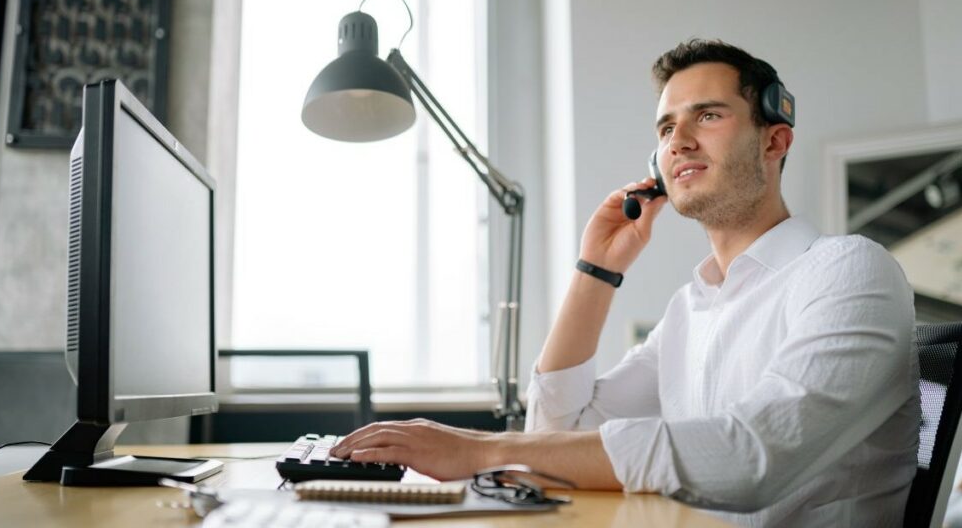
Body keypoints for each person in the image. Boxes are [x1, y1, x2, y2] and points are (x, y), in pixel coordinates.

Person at [331, 39, 920, 526]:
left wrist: (480, 449)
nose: (679, 141)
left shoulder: (848, 270)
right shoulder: (693, 308)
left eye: (708, 115)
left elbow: (751, 460)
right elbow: (558, 430)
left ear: (774, 139)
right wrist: (596, 271)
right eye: (666, 128)